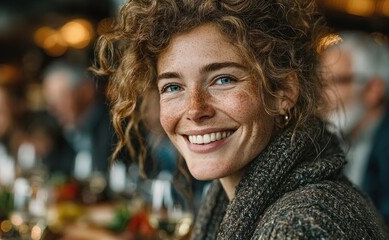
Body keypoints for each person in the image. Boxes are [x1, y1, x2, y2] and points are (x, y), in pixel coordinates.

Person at [94, 0, 389, 239]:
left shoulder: (300, 225)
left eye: (223, 79)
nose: (195, 109)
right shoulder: (234, 198)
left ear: (283, 91)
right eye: (173, 87)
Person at [320, 31, 389, 224]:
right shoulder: (334, 142)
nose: (321, 95)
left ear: (373, 90)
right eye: (319, 83)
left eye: (334, 81)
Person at [42, 60, 116, 182]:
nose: (53, 109)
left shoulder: (115, 126)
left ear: (86, 92)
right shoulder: (62, 134)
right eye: (50, 102)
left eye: (61, 97)